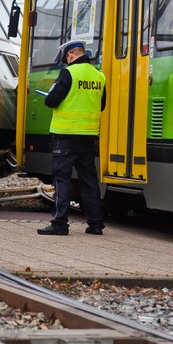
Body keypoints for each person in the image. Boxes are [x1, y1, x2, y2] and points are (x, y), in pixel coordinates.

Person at [37, 40, 106, 236]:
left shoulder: (69, 73)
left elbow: (51, 100)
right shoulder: (99, 76)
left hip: (66, 137)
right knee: (89, 181)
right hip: (88, 137)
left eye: (66, 57)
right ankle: (96, 224)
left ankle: (60, 224)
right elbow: (101, 105)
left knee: (62, 179)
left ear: (70, 55)